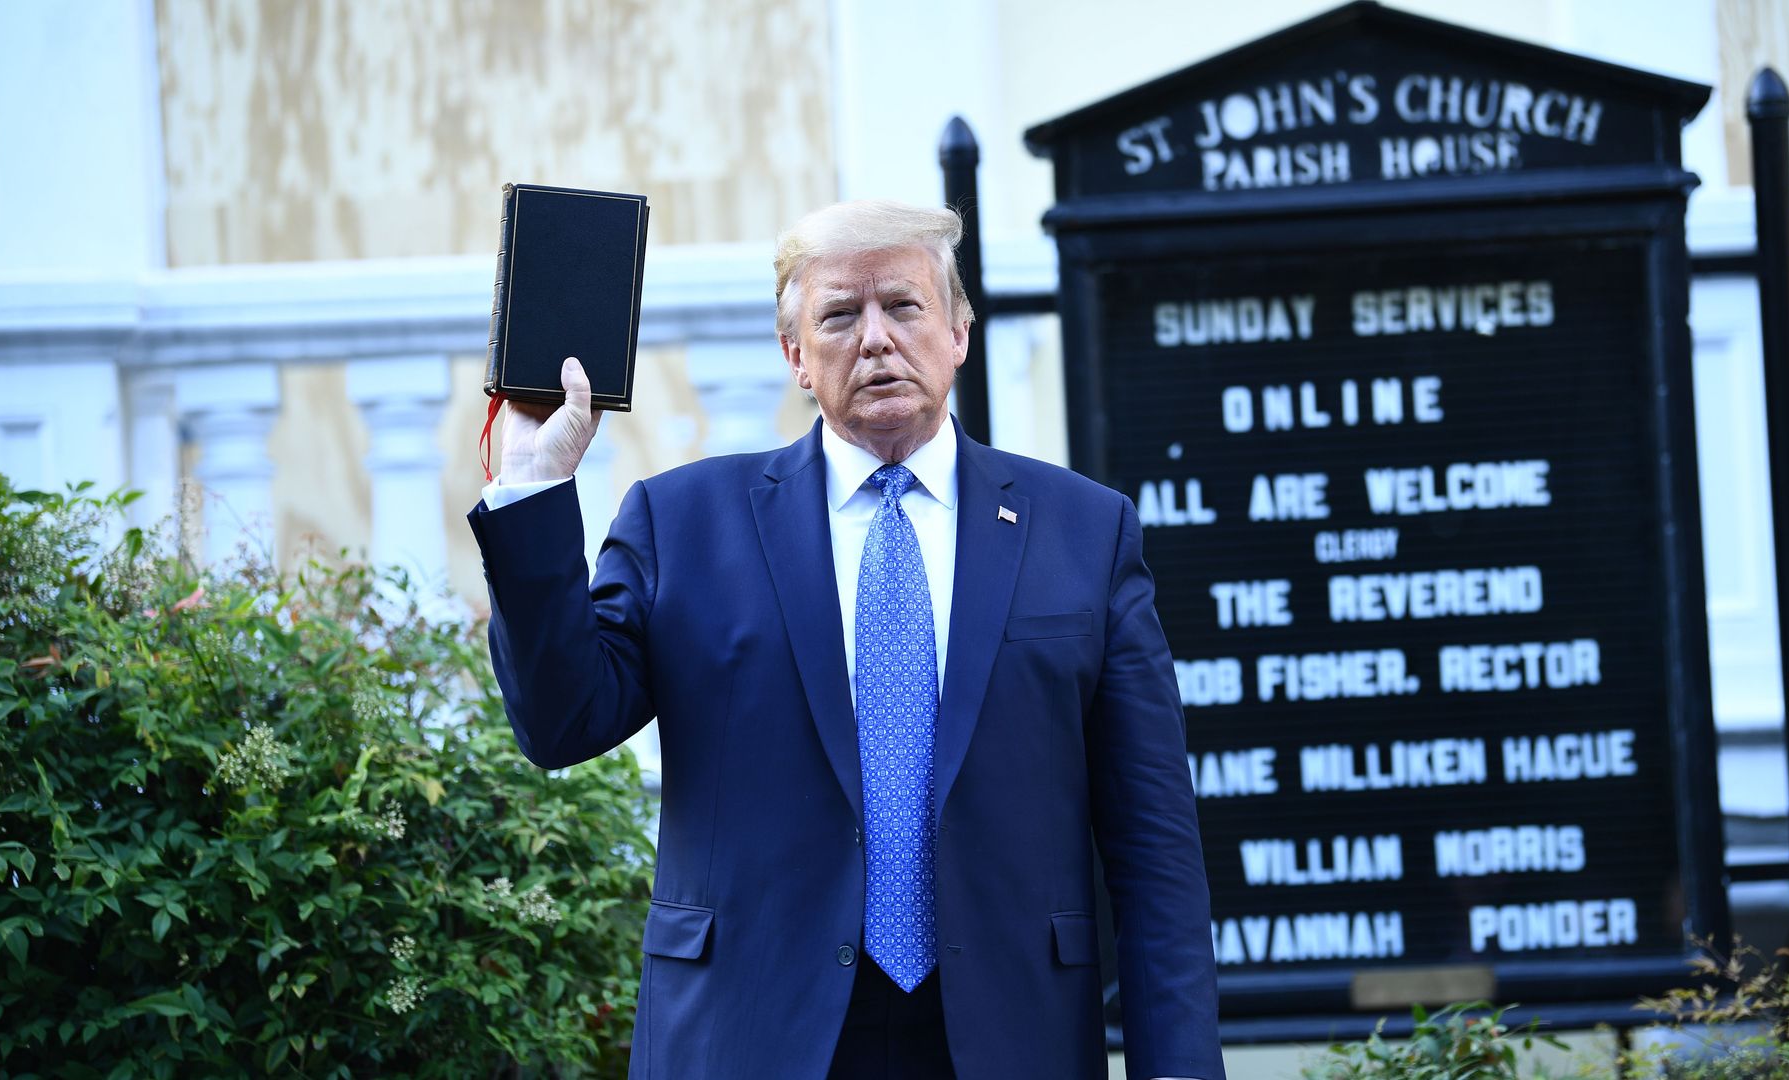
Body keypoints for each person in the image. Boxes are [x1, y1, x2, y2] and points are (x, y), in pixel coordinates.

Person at [467, 199, 1223, 1080]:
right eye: (838, 314)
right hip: (751, 1034)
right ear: (795, 355)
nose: (874, 339)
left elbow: (1156, 855)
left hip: (1009, 1037)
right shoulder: (684, 524)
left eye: (903, 306)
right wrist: (533, 485)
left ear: (958, 333)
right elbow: (562, 722)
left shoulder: (1085, 533)